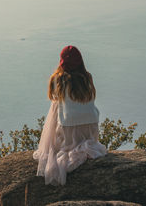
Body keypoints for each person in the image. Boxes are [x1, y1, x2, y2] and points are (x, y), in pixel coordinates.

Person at [34, 45, 107, 186]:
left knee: (56, 106)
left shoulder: (58, 79)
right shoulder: (87, 77)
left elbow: (53, 100)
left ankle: (57, 144)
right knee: (60, 106)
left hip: (69, 128)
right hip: (90, 125)